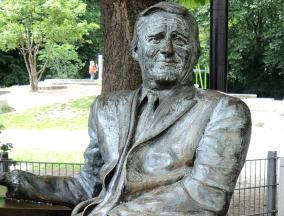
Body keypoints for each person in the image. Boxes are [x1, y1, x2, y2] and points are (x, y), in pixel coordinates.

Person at [0, 2, 251, 216]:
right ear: (135, 50)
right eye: (155, 38)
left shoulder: (224, 110)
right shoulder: (106, 108)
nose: (167, 49)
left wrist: (109, 213)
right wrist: (18, 180)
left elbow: (205, 197)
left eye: (180, 40)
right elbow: (89, 187)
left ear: (196, 52)